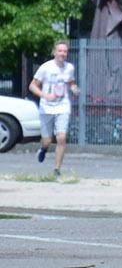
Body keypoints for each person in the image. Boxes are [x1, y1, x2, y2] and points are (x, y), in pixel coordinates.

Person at [32, 38, 76, 176]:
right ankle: (44, 149)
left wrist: (74, 88)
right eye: (60, 51)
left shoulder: (69, 68)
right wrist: (45, 95)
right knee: (47, 140)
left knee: (61, 138)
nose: (62, 53)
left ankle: (57, 169)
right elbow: (32, 86)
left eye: (65, 51)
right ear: (54, 52)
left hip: (63, 106)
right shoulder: (46, 67)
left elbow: (70, 83)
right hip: (46, 107)